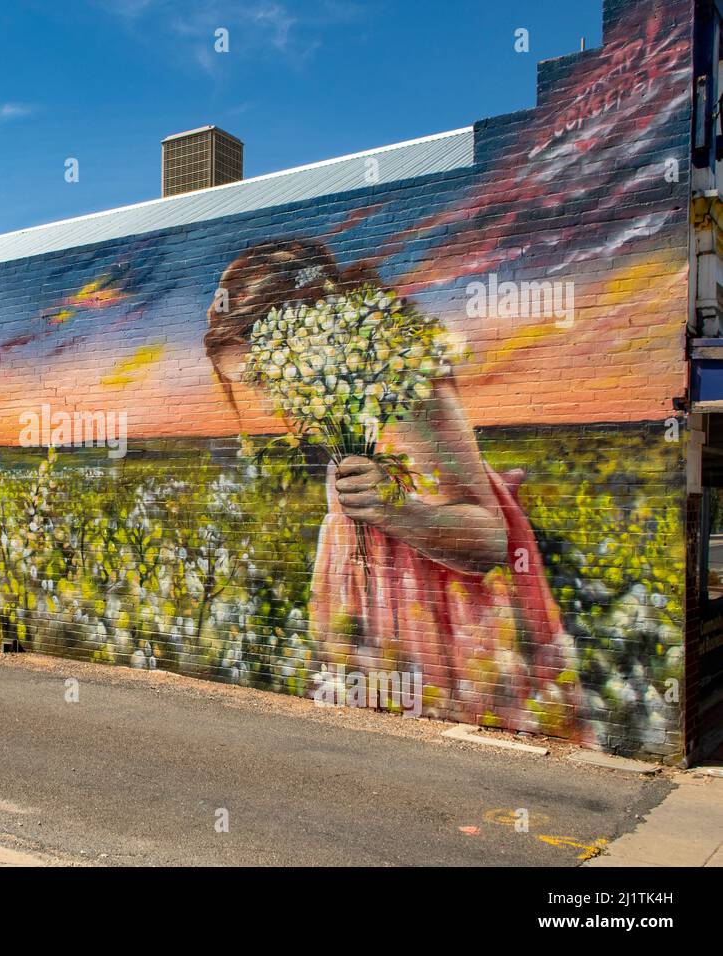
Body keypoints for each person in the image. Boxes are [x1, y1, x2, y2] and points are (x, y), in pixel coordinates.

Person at [205, 237, 586, 737]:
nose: (267, 398)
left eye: (262, 375)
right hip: (382, 610)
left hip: (442, 618)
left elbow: (492, 539)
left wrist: (397, 511)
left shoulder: (403, 385)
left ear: (298, 335)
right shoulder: (341, 398)